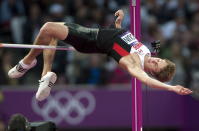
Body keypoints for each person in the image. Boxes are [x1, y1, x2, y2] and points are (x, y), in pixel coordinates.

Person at [8, 10, 192, 101]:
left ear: (152, 71)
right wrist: (118, 24)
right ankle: (44, 76)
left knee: (47, 28)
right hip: (91, 32)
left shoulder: (133, 63)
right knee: (51, 34)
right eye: (158, 60)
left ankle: (28, 61)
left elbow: (147, 80)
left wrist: (171, 88)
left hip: (89, 40)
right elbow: (122, 41)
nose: (155, 59)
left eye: (155, 64)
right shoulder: (147, 53)